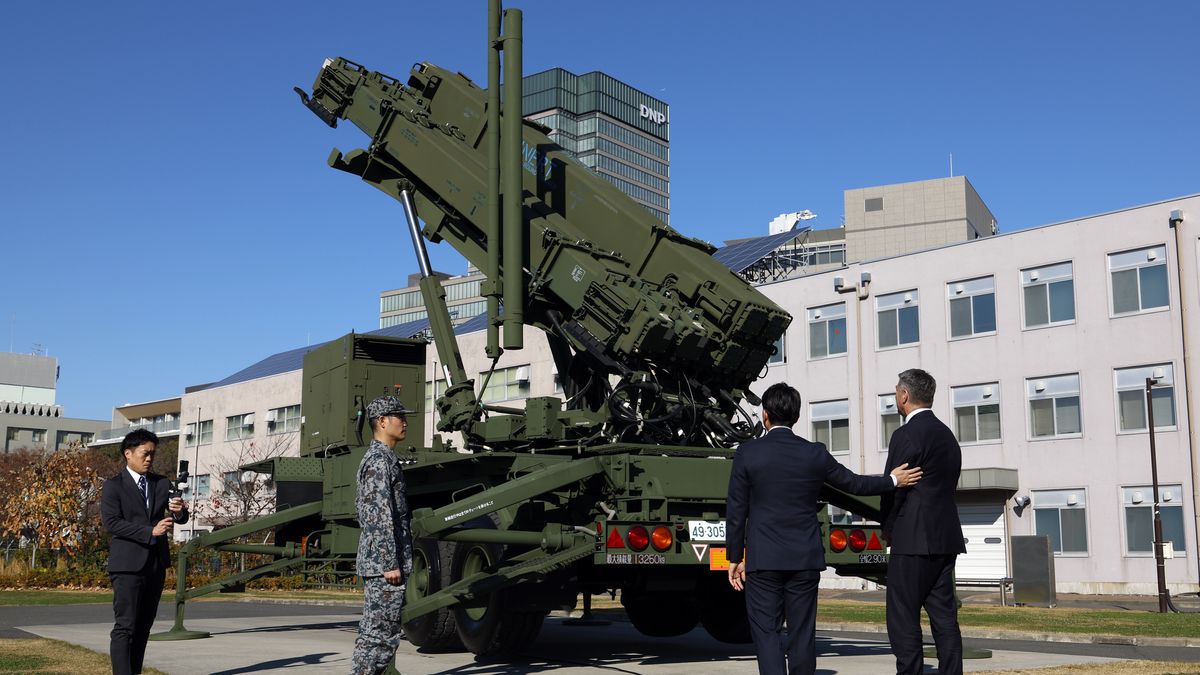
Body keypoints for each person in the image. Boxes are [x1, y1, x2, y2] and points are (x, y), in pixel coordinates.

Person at [726, 382, 922, 675]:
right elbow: (854, 483)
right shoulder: (814, 453)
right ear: (796, 416)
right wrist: (893, 480)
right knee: (802, 634)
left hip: (763, 559)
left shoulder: (748, 453)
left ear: (765, 415)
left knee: (766, 633)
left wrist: (734, 557)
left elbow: (736, 509)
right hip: (804, 559)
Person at [880, 368, 966, 675]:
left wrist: (888, 529)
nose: (895, 396)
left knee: (903, 617)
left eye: (895, 391)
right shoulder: (947, 436)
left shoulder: (905, 435)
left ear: (904, 395)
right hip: (945, 538)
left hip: (912, 537)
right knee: (944, 617)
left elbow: (895, 488)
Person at [100, 428, 188, 675]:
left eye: (152, 454)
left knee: (143, 627)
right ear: (128, 453)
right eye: (144, 454)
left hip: (155, 564)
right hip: (127, 565)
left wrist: (179, 510)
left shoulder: (162, 483)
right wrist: (150, 531)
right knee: (125, 626)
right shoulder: (113, 486)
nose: (149, 459)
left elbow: (180, 518)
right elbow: (112, 523)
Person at [352, 395, 415, 675]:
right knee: (378, 638)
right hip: (383, 566)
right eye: (398, 416)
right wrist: (390, 562)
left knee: (382, 636)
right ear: (382, 421)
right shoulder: (378, 461)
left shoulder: (386, 459)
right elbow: (377, 516)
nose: (404, 422)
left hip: (384, 564)